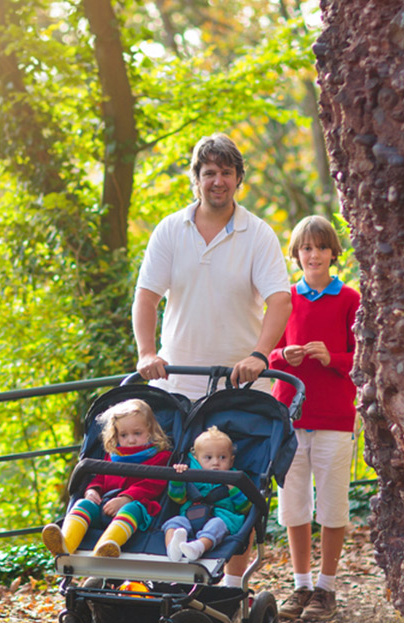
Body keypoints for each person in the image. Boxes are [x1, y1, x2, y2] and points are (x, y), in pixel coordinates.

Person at [133, 134, 291, 587]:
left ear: (238, 178)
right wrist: (147, 352)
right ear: (195, 179)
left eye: (225, 172)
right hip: (177, 383)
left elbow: (280, 301)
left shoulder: (257, 233)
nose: (217, 181)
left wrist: (259, 355)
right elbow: (146, 298)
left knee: (238, 489)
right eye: (209, 173)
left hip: (239, 388)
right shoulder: (170, 230)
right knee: (177, 486)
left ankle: (231, 589)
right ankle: (175, 580)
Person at [268, 215, 361, 622]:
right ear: (296, 254)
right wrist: (280, 356)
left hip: (335, 416)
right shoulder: (285, 299)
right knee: (293, 505)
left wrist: (333, 358)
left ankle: (326, 587)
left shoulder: (350, 300)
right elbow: (265, 352)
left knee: (333, 504)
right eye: (306, 247)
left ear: (333, 253)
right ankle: (301, 584)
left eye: (322, 247)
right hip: (289, 414)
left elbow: (363, 357)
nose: (314, 254)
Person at [41, 399, 172, 558]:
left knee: (133, 509)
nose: (131, 440)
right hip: (104, 506)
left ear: (151, 431)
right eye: (124, 435)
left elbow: (153, 484)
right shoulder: (113, 456)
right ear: (116, 435)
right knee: (83, 503)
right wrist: (92, 490)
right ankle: (65, 545)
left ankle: (105, 548)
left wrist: (126, 498)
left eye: (137, 433)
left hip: (137, 509)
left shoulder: (160, 456)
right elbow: (100, 477)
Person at [162, 427, 250, 562]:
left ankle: (199, 546)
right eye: (208, 457)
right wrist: (178, 479)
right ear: (196, 458)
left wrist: (233, 488)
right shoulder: (190, 474)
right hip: (190, 516)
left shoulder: (235, 479)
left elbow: (244, 508)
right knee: (175, 522)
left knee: (216, 525)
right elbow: (178, 499)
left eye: (222, 457)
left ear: (231, 460)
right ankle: (172, 549)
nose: (216, 462)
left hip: (220, 517)